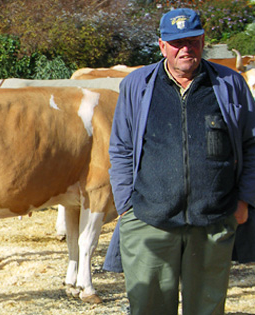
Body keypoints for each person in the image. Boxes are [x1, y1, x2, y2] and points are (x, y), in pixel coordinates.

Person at [108, 8, 255, 315]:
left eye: (192, 40)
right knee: (148, 308)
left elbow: (251, 144)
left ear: (203, 41)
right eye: (177, 43)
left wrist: (245, 200)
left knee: (207, 310)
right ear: (162, 46)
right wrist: (125, 206)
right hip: (150, 221)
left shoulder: (230, 84)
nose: (185, 48)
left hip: (213, 223)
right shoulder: (138, 85)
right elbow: (121, 148)